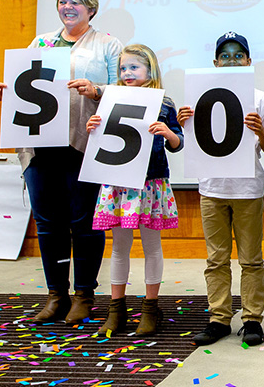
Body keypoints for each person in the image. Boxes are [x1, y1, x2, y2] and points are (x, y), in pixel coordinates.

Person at [0, 0, 123, 324]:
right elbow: (29, 87)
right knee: (48, 224)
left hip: (84, 143)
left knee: (85, 223)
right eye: (63, 1)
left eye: (76, 2)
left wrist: (96, 90)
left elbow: (124, 92)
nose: (67, 7)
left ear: (91, 8)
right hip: (40, 143)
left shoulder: (107, 44)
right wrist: (8, 92)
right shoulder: (41, 42)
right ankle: (56, 295)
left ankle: (83, 295)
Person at [177, 32, 264, 346]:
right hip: (211, 189)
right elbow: (190, 145)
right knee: (216, 260)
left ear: (248, 61)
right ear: (215, 62)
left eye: (238, 55)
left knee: (251, 259)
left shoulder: (260, 97)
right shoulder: (198, 95)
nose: (231, 60)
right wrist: (184, 124)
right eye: (225, 55)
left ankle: (251, 320)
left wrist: (260, 130)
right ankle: (218, 318)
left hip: (248, 189)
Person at [87, 44, 183, 336]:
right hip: (119, 181)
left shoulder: (164, 103)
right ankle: (116, 309)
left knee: (152, 246)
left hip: (151, 181)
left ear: (150, 70)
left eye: (134, 68)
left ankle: (150, 309)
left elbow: (178, 142)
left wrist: (168, 133)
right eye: (123, 69)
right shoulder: (111, 99)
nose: (128, 73)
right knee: (120, 247)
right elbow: (103, 135)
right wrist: (93, 125)